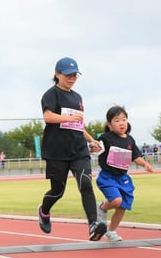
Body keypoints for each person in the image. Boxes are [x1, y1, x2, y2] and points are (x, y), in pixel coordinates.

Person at [37, 57, 107, 241]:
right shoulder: (51, 94)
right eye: (68, 75)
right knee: (58, 191)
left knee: (85, 184)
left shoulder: (77, 97)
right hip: (56, 152)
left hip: (78, 150)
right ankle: (44, 211)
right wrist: (67, 119)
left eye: (75, 75)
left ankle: (93, 225)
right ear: (57, 74)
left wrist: (92, 141)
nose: (72, 78)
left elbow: (79, 125)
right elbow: (48, 117)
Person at [95, 106, 153, 241]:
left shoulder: (130, 140)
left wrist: (145, 164)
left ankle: (112, 231)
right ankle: (102, 208)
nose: (121, 123)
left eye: (124, 119)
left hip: (123, 178)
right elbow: (96, 148)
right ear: (109, 124)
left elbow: (135, 157)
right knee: (116, 201)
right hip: (107, 177)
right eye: (117, 120)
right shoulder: (105, 138)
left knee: (122, 206)